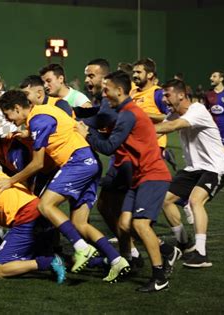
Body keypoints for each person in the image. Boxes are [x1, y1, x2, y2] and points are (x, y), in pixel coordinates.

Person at [0, 90, 130, 282]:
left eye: (8, 114)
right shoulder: (45, 111)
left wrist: (10, 180)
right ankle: (117, 260)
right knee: (79, 223)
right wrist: (26, 135)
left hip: (78, 162)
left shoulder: (38, 119)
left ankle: (82, 248)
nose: (8, 119)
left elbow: (38, 164)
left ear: (17, 108)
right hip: (91, 162)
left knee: (45, 205)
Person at [77, 71, 172, 292]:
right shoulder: (124, 112)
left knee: (139, 224)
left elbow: (109, 147)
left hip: (153, 175)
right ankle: (139, 259)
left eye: (107, 89)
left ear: (119, 90)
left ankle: (159, 277)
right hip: (140, 177)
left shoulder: (128, 114)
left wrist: (86, 135)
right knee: (122, 224)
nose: (104, 93)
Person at [157, 79, 224, 268]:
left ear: (181, 95)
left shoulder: (197, 110)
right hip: (194, 169)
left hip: (215, 168)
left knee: (195, 201)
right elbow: (157, 133)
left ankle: (201, 254)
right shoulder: (174, 114)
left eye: (167, 95)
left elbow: (171, 127)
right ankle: (184, 242)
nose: (164, 99)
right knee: (164, 200)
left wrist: (136, 128)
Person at [130, 58, 177, 171]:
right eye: (134, 72)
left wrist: (143, 114)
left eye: (139, 72)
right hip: (134, 143)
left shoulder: (158, 93)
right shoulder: (133, 93)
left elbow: (171, 118)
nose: (135, 75)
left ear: (150, 74)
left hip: (153, 146)